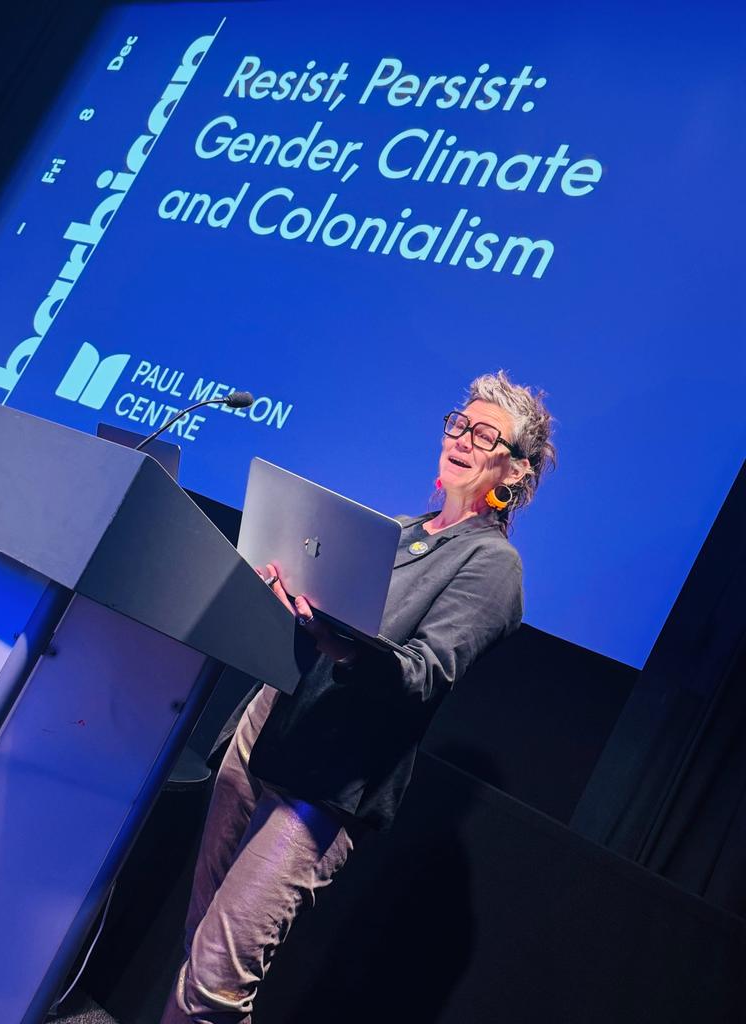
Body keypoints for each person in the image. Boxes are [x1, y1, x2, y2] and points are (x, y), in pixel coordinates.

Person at [161, 370, 556, 1023]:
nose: (463, 438)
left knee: (215, 982)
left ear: (515, 472)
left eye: (486, 435)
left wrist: (341, 643)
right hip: (268, 728)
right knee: (199, 943)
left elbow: (425, 674)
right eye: (460, 423)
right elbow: (316, 623)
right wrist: (284, 601)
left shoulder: (493, 566)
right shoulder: (396, 531)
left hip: (331, 780)